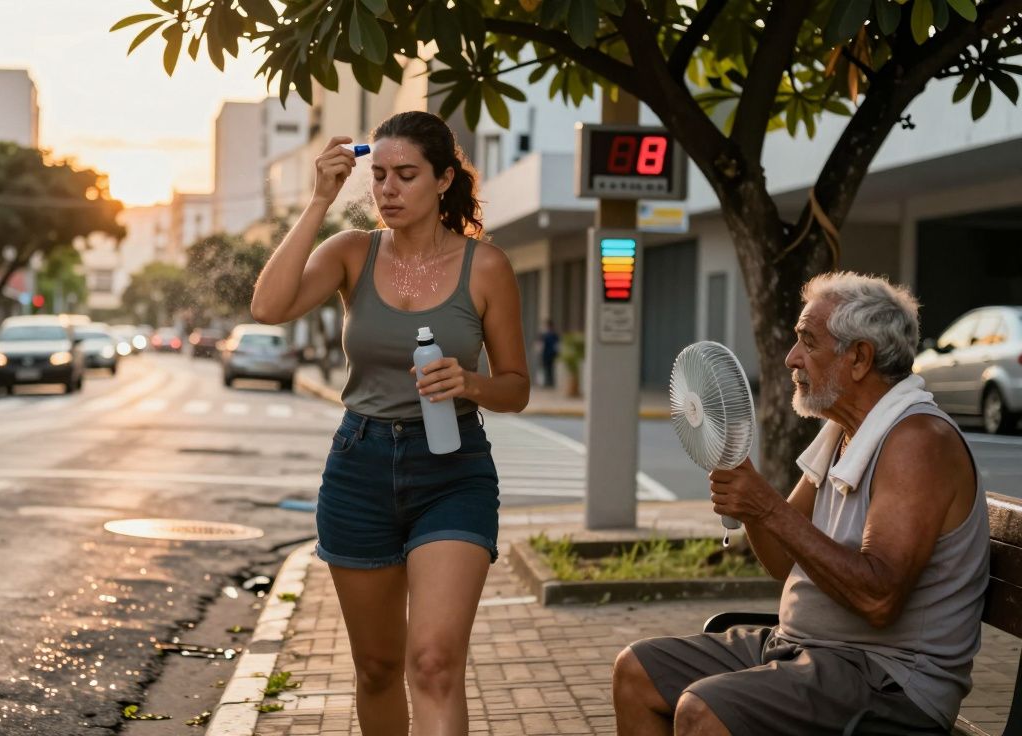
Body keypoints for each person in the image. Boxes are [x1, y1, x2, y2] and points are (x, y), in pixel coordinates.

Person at [612, 272, 989, 736]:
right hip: (802, 648)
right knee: (636, 672)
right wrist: (750, 504)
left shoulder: (916, 442)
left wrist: (768, 507)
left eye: (807, 342)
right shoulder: (843, 433)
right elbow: (779, 561)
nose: (791, 358)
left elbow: (879, 599)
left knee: (702, 709)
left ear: (859, 358)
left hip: (886, 680)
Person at [250, 111, 529, 735]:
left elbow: (516, 388)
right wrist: (320, 198)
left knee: (432, 664)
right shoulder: (351, 252)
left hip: (454, 470)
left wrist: (471, 382)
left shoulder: (485, 268)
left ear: (443, 179)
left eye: (406, 175)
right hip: (360, 467)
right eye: (378, 176)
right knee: (377, 668)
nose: (388, 189)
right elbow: (268, 306)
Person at [539, 319, 560, 388]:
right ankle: (547, 383)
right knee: (546, 369)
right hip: (546, 355)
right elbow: (541, 345)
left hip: (551, 355)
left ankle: (550, 383)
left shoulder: (554, 335)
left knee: (550, 369)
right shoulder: (545, 335)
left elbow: (557, 345)